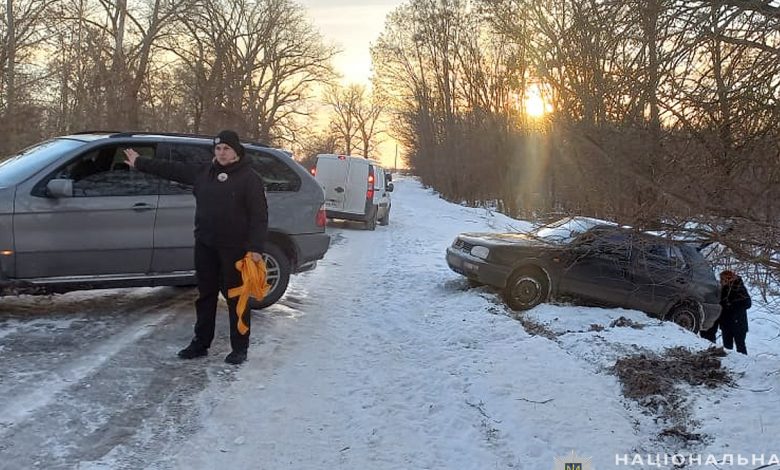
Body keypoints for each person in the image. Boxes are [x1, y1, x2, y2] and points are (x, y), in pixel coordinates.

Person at [123, 130, 268, 365]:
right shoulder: (204, 172)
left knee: (236, 297)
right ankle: (201, 343)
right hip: (205, 245)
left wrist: (256, 248)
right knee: (206, 295)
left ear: (236, 151)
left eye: (227, 149)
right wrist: (140, 162)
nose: (222, 153)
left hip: (235, 249)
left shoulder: (249, 178)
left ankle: (240, 348)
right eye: (218, 148)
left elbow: (259, 217)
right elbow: (172, 169)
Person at [718, 270, 751, 355]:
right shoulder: (722, 289)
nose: (721, 281)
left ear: (728, 279)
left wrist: (732, 305)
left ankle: (745, 363)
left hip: (738, 322)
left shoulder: (739, 288)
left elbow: (747, 303)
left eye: (722, 279)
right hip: (726, 323)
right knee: (727, 347)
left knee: (740, 346)